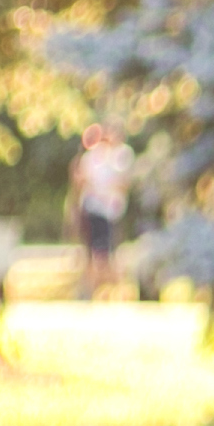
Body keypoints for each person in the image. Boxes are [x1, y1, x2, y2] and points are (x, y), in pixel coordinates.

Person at [69, 124, 137, 299]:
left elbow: (122, 184)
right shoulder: (91, 159)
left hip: (111, 211)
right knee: (96, 253)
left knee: (108, 253)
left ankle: (112, 291)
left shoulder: (120, 157)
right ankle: (94, 291)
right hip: (95, 210)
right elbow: (81, 182)